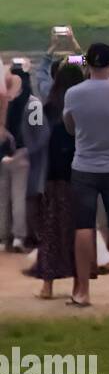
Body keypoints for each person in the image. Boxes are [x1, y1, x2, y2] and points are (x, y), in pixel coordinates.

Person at [62, 41, 109, 307]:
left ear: (88, 63)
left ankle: (82, 291)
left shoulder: (73, 93)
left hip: (83, 166)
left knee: (83, 227)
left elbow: (70, 128)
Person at [32, 60, 85, 299]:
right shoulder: (83, 107)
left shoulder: (48, 107)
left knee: (51, 229)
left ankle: (47, 284)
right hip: (80, 173)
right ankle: (78, 284)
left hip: (53, 176)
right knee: (79, 228)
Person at [0, 59, 31, 251]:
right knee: (18, 197)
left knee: (2, 199)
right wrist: (25, 73)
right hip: (20, 151)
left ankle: (3, 239)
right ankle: (18, 237)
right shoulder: (25, 99)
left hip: (1, 153)